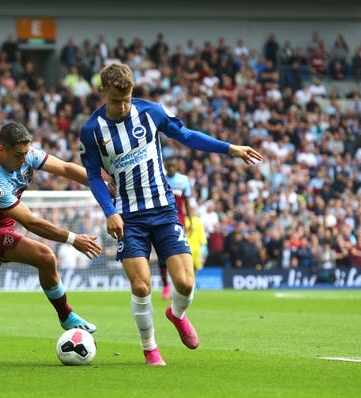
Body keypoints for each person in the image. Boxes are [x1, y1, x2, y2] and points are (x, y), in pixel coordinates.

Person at [79, 63, 263, 366]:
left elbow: (187, 136)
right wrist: (109, 211)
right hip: (129, 216)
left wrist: (231, 148)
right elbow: (94, 176)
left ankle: (176, 314)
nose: (123, 106)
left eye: (127, 99)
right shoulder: (91, 130)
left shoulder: (150, 112)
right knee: (141, 286)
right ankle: (150, 349)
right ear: (102, 93)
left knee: (186, 284)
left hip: (164, 210)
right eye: (115, 101)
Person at [0, 121, 103, 356]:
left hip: (1, 223)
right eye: (18, 155)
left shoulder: (26, 154)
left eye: (26, 153)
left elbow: (65, 168)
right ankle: (66, 316)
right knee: (45, 256)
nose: (24, 160)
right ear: (1, 150)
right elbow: (31, 222)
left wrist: (102, 184)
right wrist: (74, 239)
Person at [157, 157, 192, 300]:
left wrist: (191, 220)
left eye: (173, 165)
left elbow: (187, 202)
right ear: (165, 165)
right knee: (162, 255)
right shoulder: (160, 179)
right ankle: (165, 285)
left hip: (179, 221)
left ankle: (180, 284)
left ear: (177, 166)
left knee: (180, 252)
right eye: (168, 165)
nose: (170, 168)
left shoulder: (183, 180)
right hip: (162, 220)